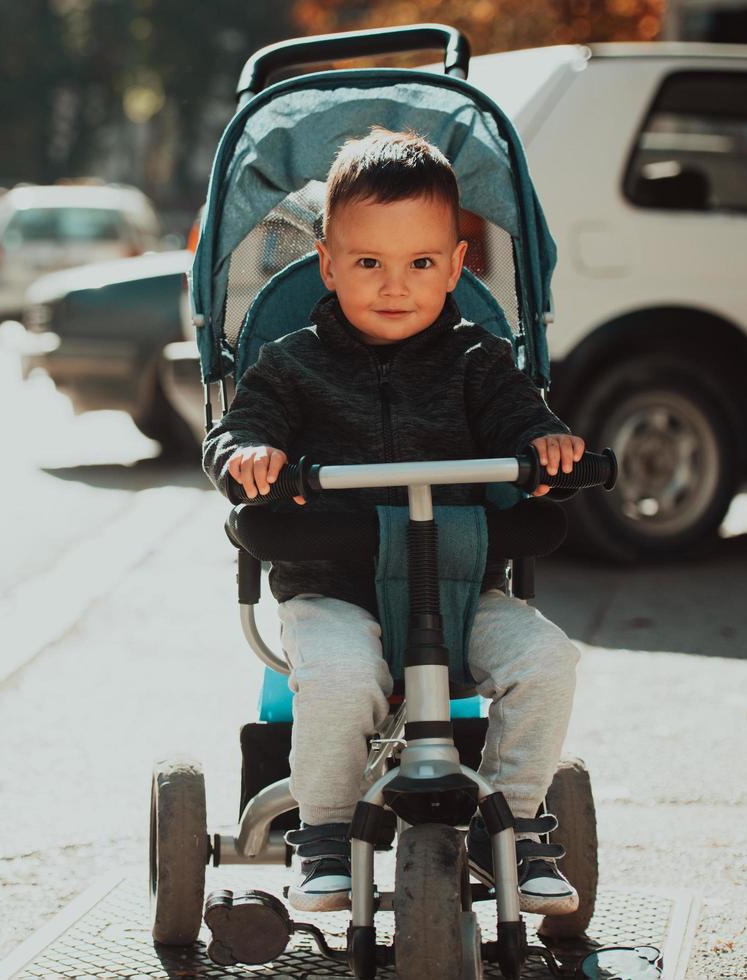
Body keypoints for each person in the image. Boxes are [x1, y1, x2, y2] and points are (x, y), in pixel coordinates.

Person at [201, 128, 585, 916]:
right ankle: (329, 830)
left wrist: (546, 446)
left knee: (546, 658)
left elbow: (525, 423)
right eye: (368, 263)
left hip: (457, 589)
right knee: (339, 675)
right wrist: (249, 453)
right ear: (329, 266)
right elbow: (235, 432)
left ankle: (509, 822)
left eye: (418, 264)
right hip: (335, 587)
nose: (393, 284)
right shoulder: (292, 365)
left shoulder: (480, 362)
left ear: (454, 267)